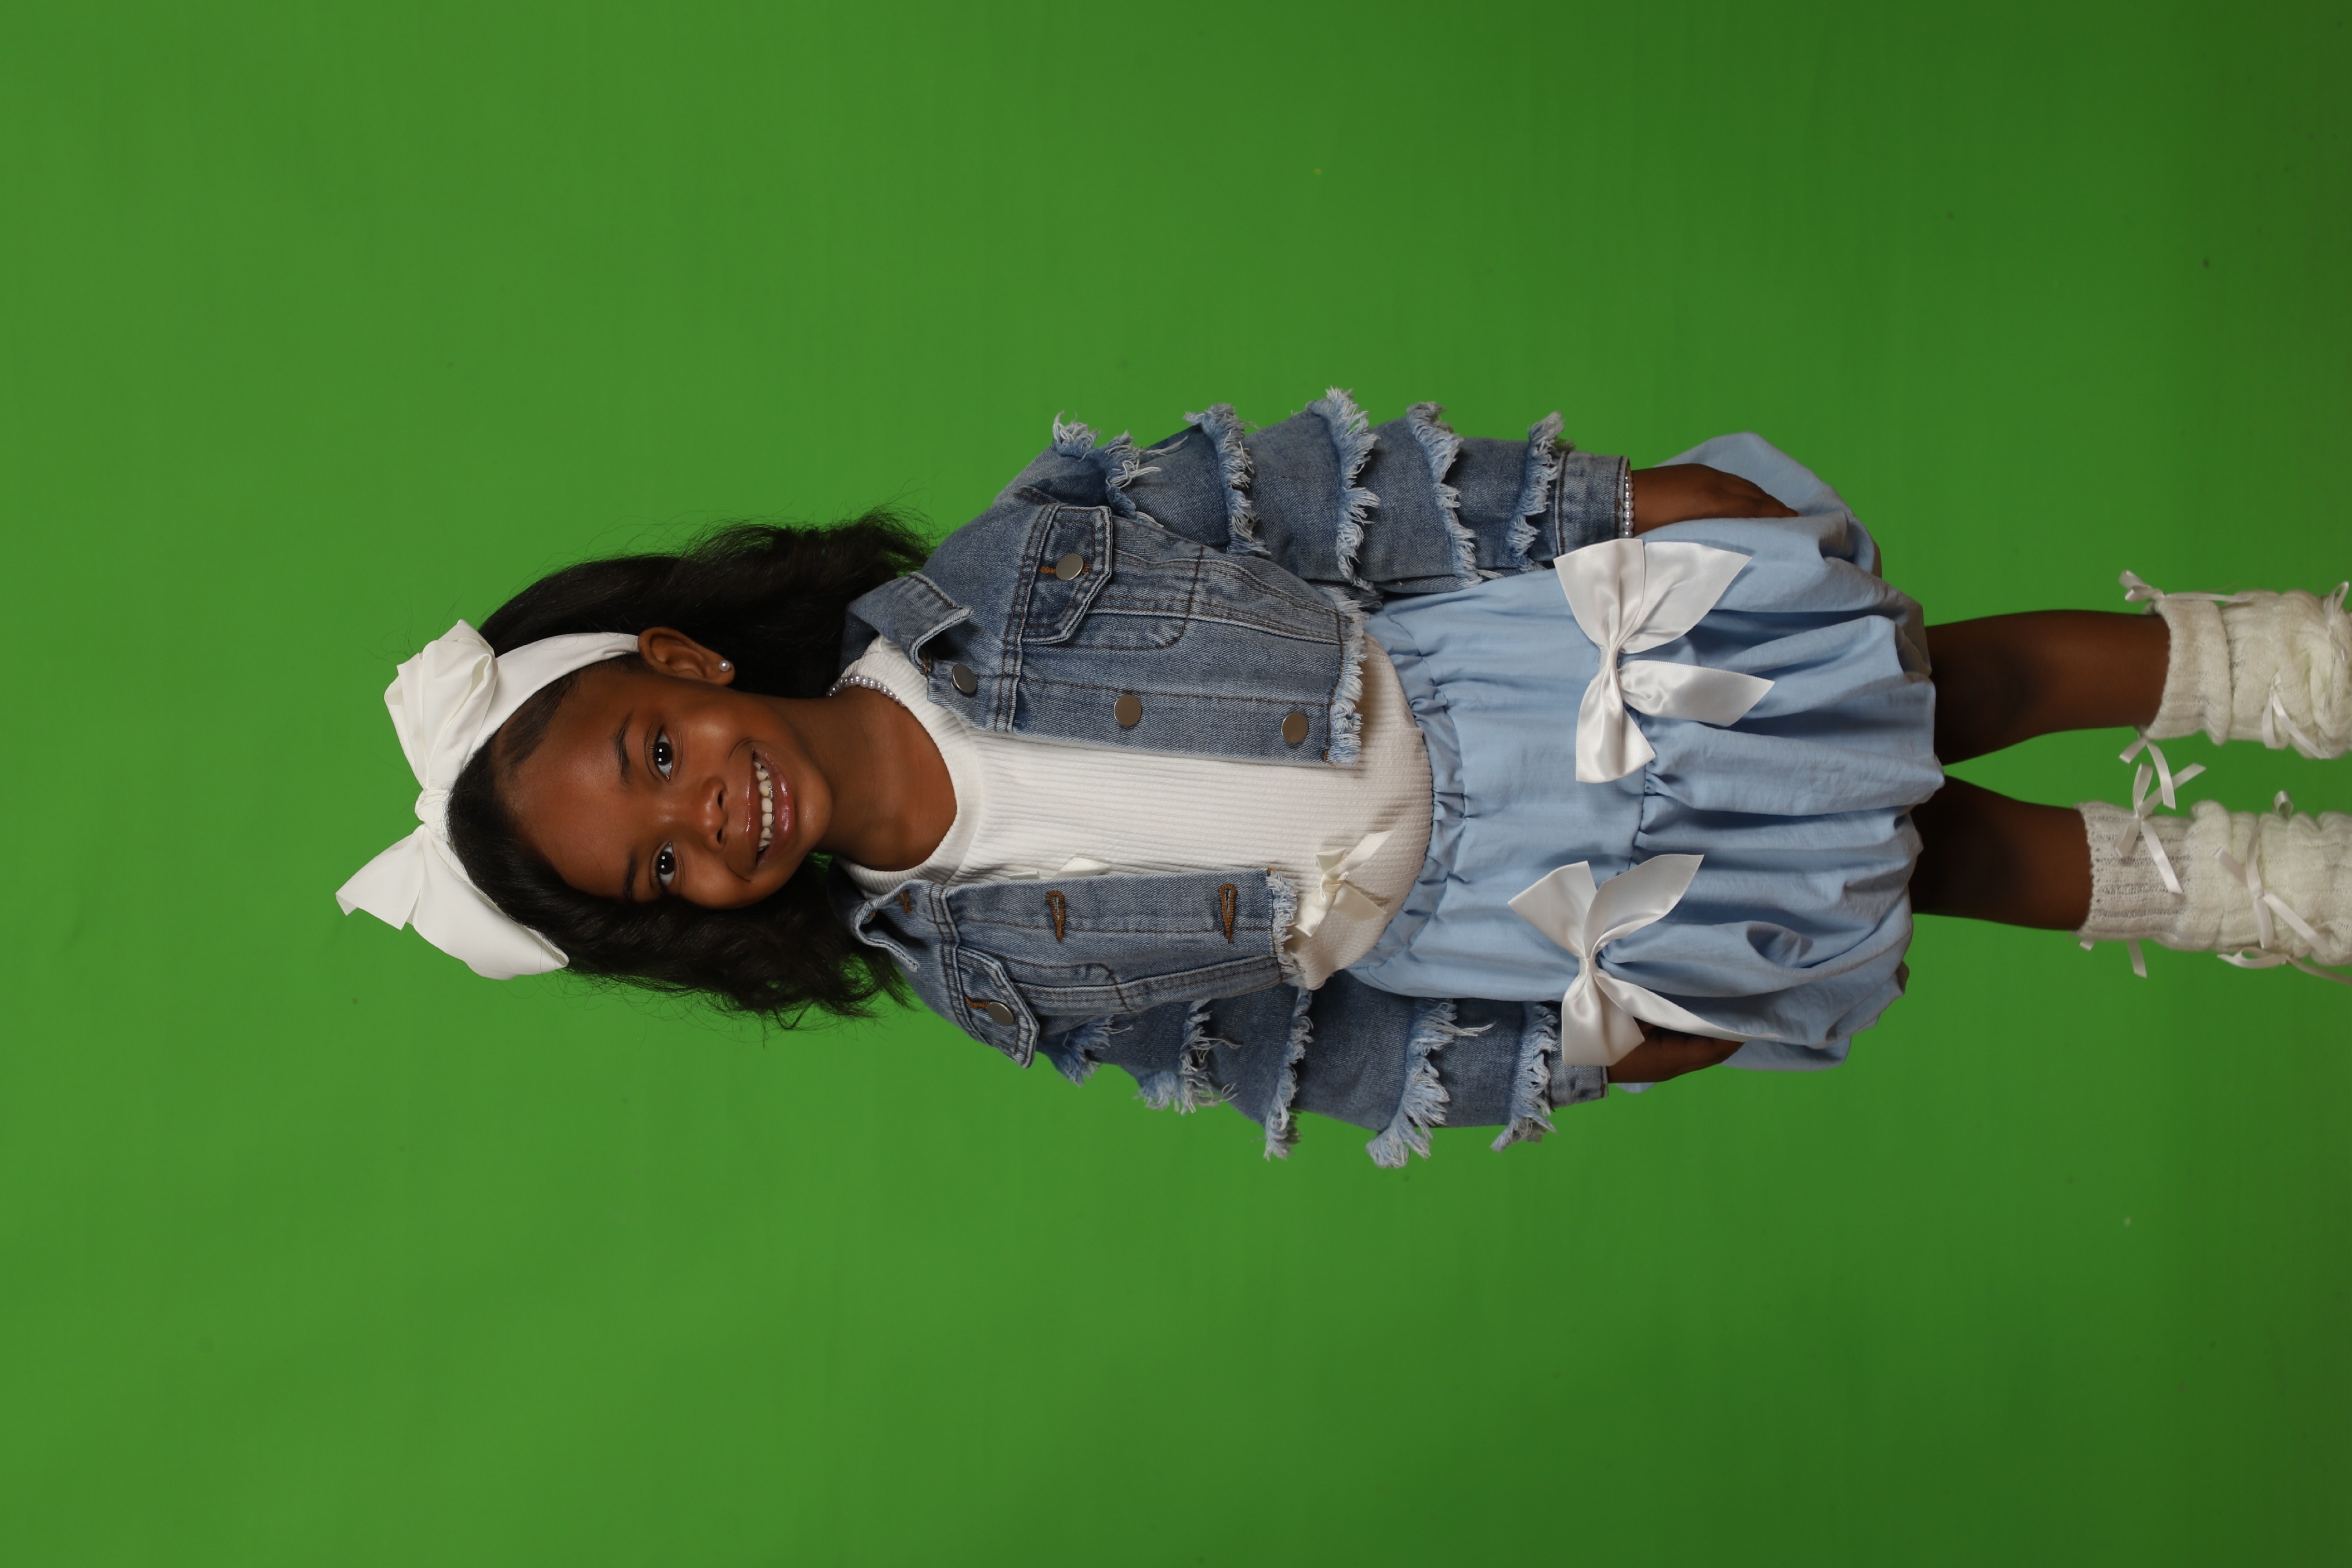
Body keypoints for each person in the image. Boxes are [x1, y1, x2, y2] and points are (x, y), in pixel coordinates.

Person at [338, 394, 2352, 1164]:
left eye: (659, 756)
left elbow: (1338, 498)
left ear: (685, 663)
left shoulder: (1024, 564)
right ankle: (2276, 890)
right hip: (1521, 921)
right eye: (662, 870)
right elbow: (1299, 1048)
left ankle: (2288, 663)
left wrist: (1603, 502)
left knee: (1937, 683)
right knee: (1924, 867)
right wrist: (1565, 1051)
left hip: (1526, 686)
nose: (708, 818)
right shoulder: (990, 977)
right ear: (697, 929)